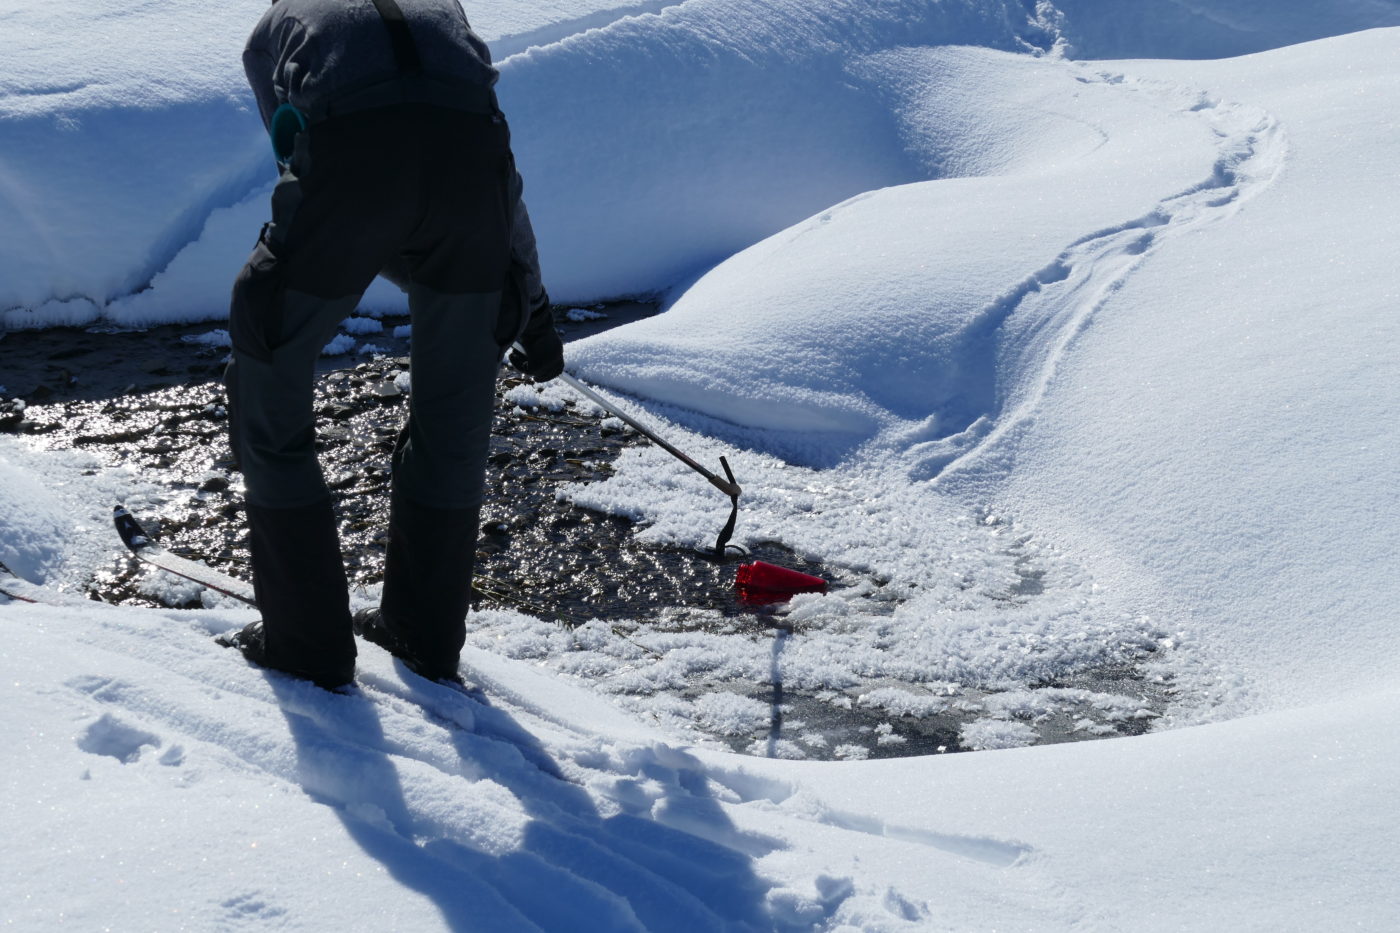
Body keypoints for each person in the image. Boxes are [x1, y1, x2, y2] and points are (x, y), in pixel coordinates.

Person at [217, 0, 564, 689]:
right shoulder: (445, 9)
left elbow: (291, 148)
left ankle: (307, 644)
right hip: (470, 183)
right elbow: (500, 180)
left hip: (354, 164)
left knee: (267, 368)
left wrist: (357, 236)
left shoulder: (276, 28)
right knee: (453, 420)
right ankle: (422, 635)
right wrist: (532, 311)